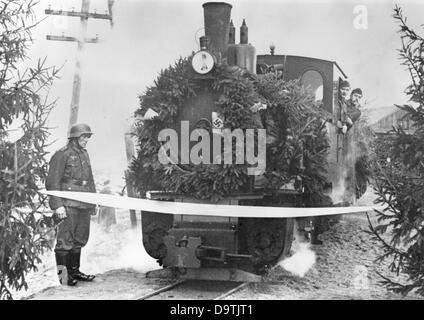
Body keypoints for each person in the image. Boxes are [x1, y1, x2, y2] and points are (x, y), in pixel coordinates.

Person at [46, 123, 97, 286]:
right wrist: (57, 206)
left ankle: (74, 271)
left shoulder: (84, 154)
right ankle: (63, 278)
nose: (86, 140)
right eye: (84, 136)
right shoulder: (62, 154)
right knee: (64, 242)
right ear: (74, 138)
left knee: (80, 238)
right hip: (67, 204)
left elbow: (90, 180)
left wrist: (93, 202)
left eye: (88, 137)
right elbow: (52, 182)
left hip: (84, 203)